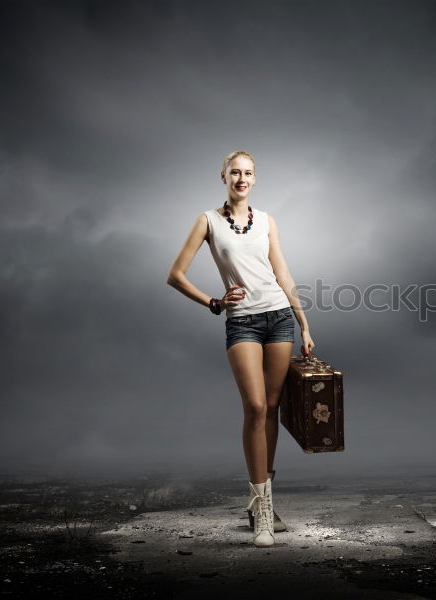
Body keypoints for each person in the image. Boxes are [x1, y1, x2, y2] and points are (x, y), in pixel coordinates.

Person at [166, 150, 315, 547]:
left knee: (272, 406)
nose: (242, 178)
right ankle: (261, 510)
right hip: (243, 322)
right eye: (235, 172)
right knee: (254, 407)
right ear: (223, 176)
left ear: (255, 178)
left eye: (248, 173)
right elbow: (175, 276)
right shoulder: (208, 221)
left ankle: (263, 505)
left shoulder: (266, 221)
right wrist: (214, 302)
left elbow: (282, 271)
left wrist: (303, 322)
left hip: (280, 317)